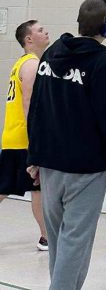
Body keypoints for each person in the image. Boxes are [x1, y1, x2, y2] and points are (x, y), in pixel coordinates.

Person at [26, 0, 106, 290]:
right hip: (84, 170)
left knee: (61, 243)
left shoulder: (51, 54)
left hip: (49, 165)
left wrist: (33, 155)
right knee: (75, 242)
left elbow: (37, 108)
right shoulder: (101, 64)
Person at [0, 20, 50, 251]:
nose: (45, 32)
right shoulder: (31, 64)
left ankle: (45, 235)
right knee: (37, 188)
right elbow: (30, 103)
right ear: (28, 39)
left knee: (9, 187)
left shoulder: (20, 63)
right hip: (24, 139)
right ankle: (46, 236)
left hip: (13, 137)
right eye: (40, 30)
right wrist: (37, 139)